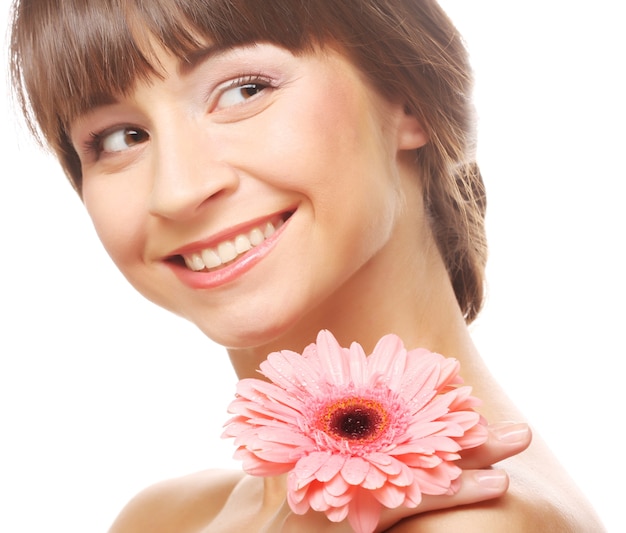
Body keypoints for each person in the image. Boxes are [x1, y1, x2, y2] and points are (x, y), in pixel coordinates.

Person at [8, 0, 604, 531]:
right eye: (119, 137)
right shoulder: (160, 519)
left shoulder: (476, 521)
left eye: (244, 90)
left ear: (408, 95)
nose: (177, 190)